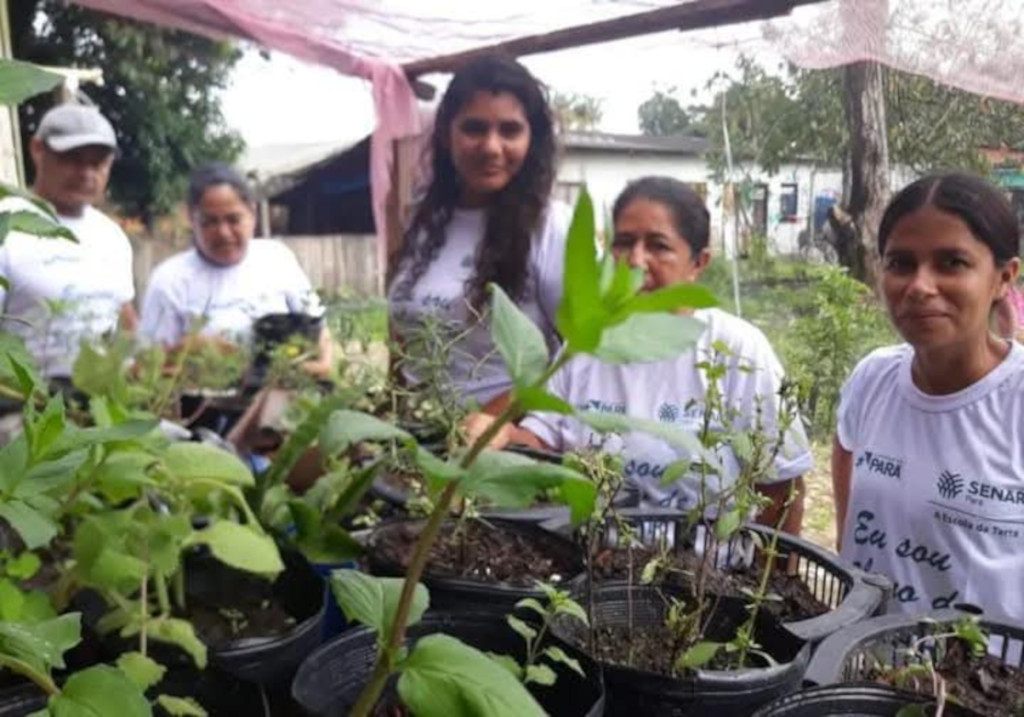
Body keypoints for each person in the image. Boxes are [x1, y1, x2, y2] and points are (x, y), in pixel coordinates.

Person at [466, 177, 812, 533]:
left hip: (704, 575)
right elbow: (543, 441)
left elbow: (781, 488)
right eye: (624, 243)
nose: (635, 260)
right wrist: (502, 435)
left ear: (699, 263)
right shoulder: (587, 346)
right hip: (589, 569)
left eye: (658, 246)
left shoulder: (737, 350)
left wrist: (767, 578)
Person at [832, 172, 1024, 617]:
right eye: (900, 263)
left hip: (989, 682)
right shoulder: (873, 380)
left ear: (1003, 277)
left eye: (951, 262)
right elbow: (850, 521)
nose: (919, 286)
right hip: (864, 672)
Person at [387, 53, 569, 414]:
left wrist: (487, 426)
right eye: (474, 128)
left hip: (498, 453)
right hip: (413, 444)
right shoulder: (423, 220)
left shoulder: (550, 227)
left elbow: (578, 358)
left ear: (532, 138)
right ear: (445, 133)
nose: (491, 147)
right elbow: (400, 341)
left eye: (510, 130)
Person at [139, 163, 332, 377]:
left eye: (233, 219)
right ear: (191, 219)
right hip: (201, 405)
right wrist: (199, 352)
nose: (223, 232)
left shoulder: (277, 259)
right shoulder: (169, 280)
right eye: (210, 222)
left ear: (252, 213)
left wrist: (323, 364)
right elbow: (147, 364)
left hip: (285, 392)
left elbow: (318, 327)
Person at [0, 103, 136, 379]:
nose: (87, 173)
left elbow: (126, 322)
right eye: (73, 159)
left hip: (99, 401)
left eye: (97, 163)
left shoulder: (111, 236)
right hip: (22, 403)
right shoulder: (8, 224)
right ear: (37, 150)